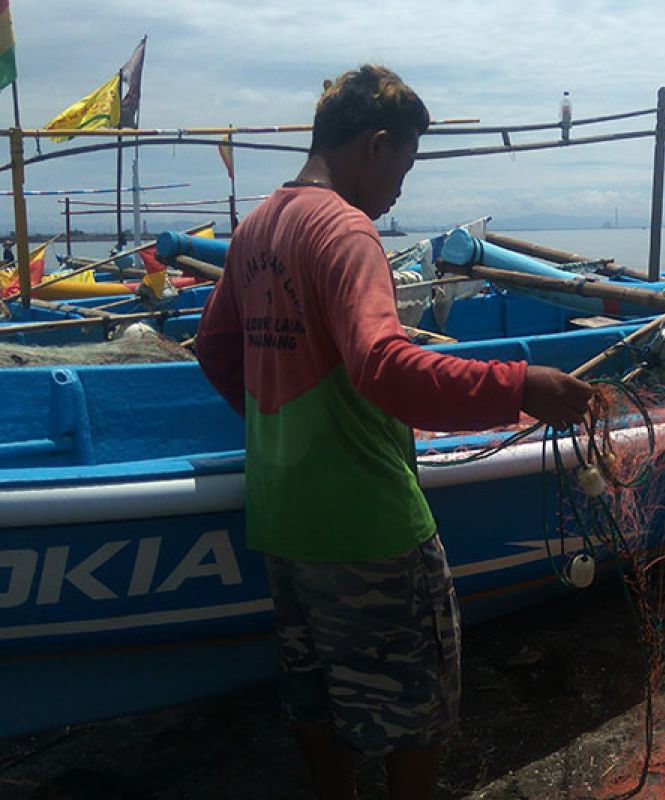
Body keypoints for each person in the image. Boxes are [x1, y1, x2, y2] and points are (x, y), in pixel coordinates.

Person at [194, 65, 594, 800]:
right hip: (368, 523)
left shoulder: (257, 226)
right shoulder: (346, 230)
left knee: (311, 691)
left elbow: (214, 349)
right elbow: (384, 364)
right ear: (375, 146)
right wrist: (521, 386)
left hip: (281, 515)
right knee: (420, 709)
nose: (401, 191)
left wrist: (285, 428)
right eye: (404, 166)